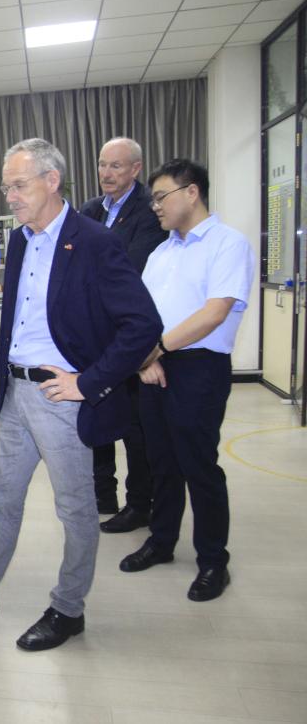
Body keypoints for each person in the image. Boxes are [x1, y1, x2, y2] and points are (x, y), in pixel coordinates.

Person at [0, 138, 161, 652]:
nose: (10, 196)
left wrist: (86, 382)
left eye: (19, 185)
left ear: (52, 181)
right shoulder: (22, 240)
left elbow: (142, 325)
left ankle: (69, 609)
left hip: (61, 398)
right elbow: (14, 324)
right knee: (2, 498)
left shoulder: (93, 241)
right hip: (17, 394)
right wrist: (2, 393)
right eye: (7, 186)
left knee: (75, 509)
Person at [120, 158, 254, 603]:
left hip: (199, 367)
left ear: (192, 192)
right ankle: (161, 541)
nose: (155, 206)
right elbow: (142, 312)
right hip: (154, 365)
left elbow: (214, 313)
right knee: (160, 461)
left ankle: (213, 559)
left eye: (161, 197)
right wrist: (145, 359)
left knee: (199, 465)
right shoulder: (162, 252)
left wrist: (155, 349)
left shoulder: (227, 243)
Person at [80, 137, 168, 532]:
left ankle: (139, 503)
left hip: (130, 336)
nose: (106, 173)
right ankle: (103, 493)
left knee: (135, 427)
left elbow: (131, 267)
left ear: (136, 169)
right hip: (94, 335)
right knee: (95, 412)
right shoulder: (90, 210)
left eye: (116, 166)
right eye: (102, 164)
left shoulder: (149, 211)